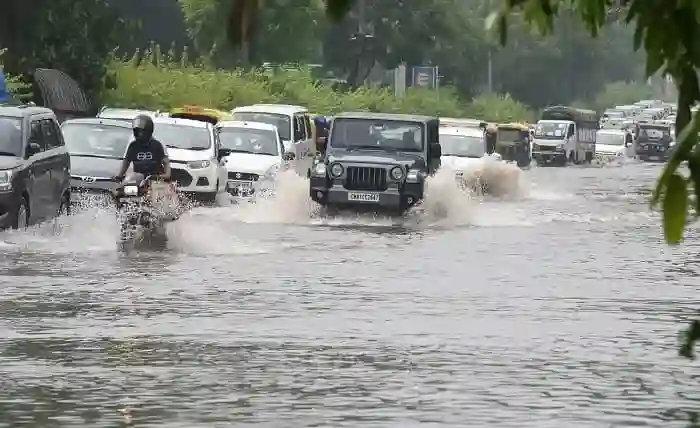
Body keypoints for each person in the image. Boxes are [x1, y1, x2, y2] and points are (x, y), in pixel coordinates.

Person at [114, 114, 171, 182]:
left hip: (155, 180)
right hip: (138, 180)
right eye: (137, 131)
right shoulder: (133, 145)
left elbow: (166, 162)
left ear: (148, 130)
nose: (138, 134)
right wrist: (119, 176)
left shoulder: (157, 145)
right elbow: (126, 162)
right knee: (121, 191)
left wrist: (166, 175)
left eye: (141, 131)